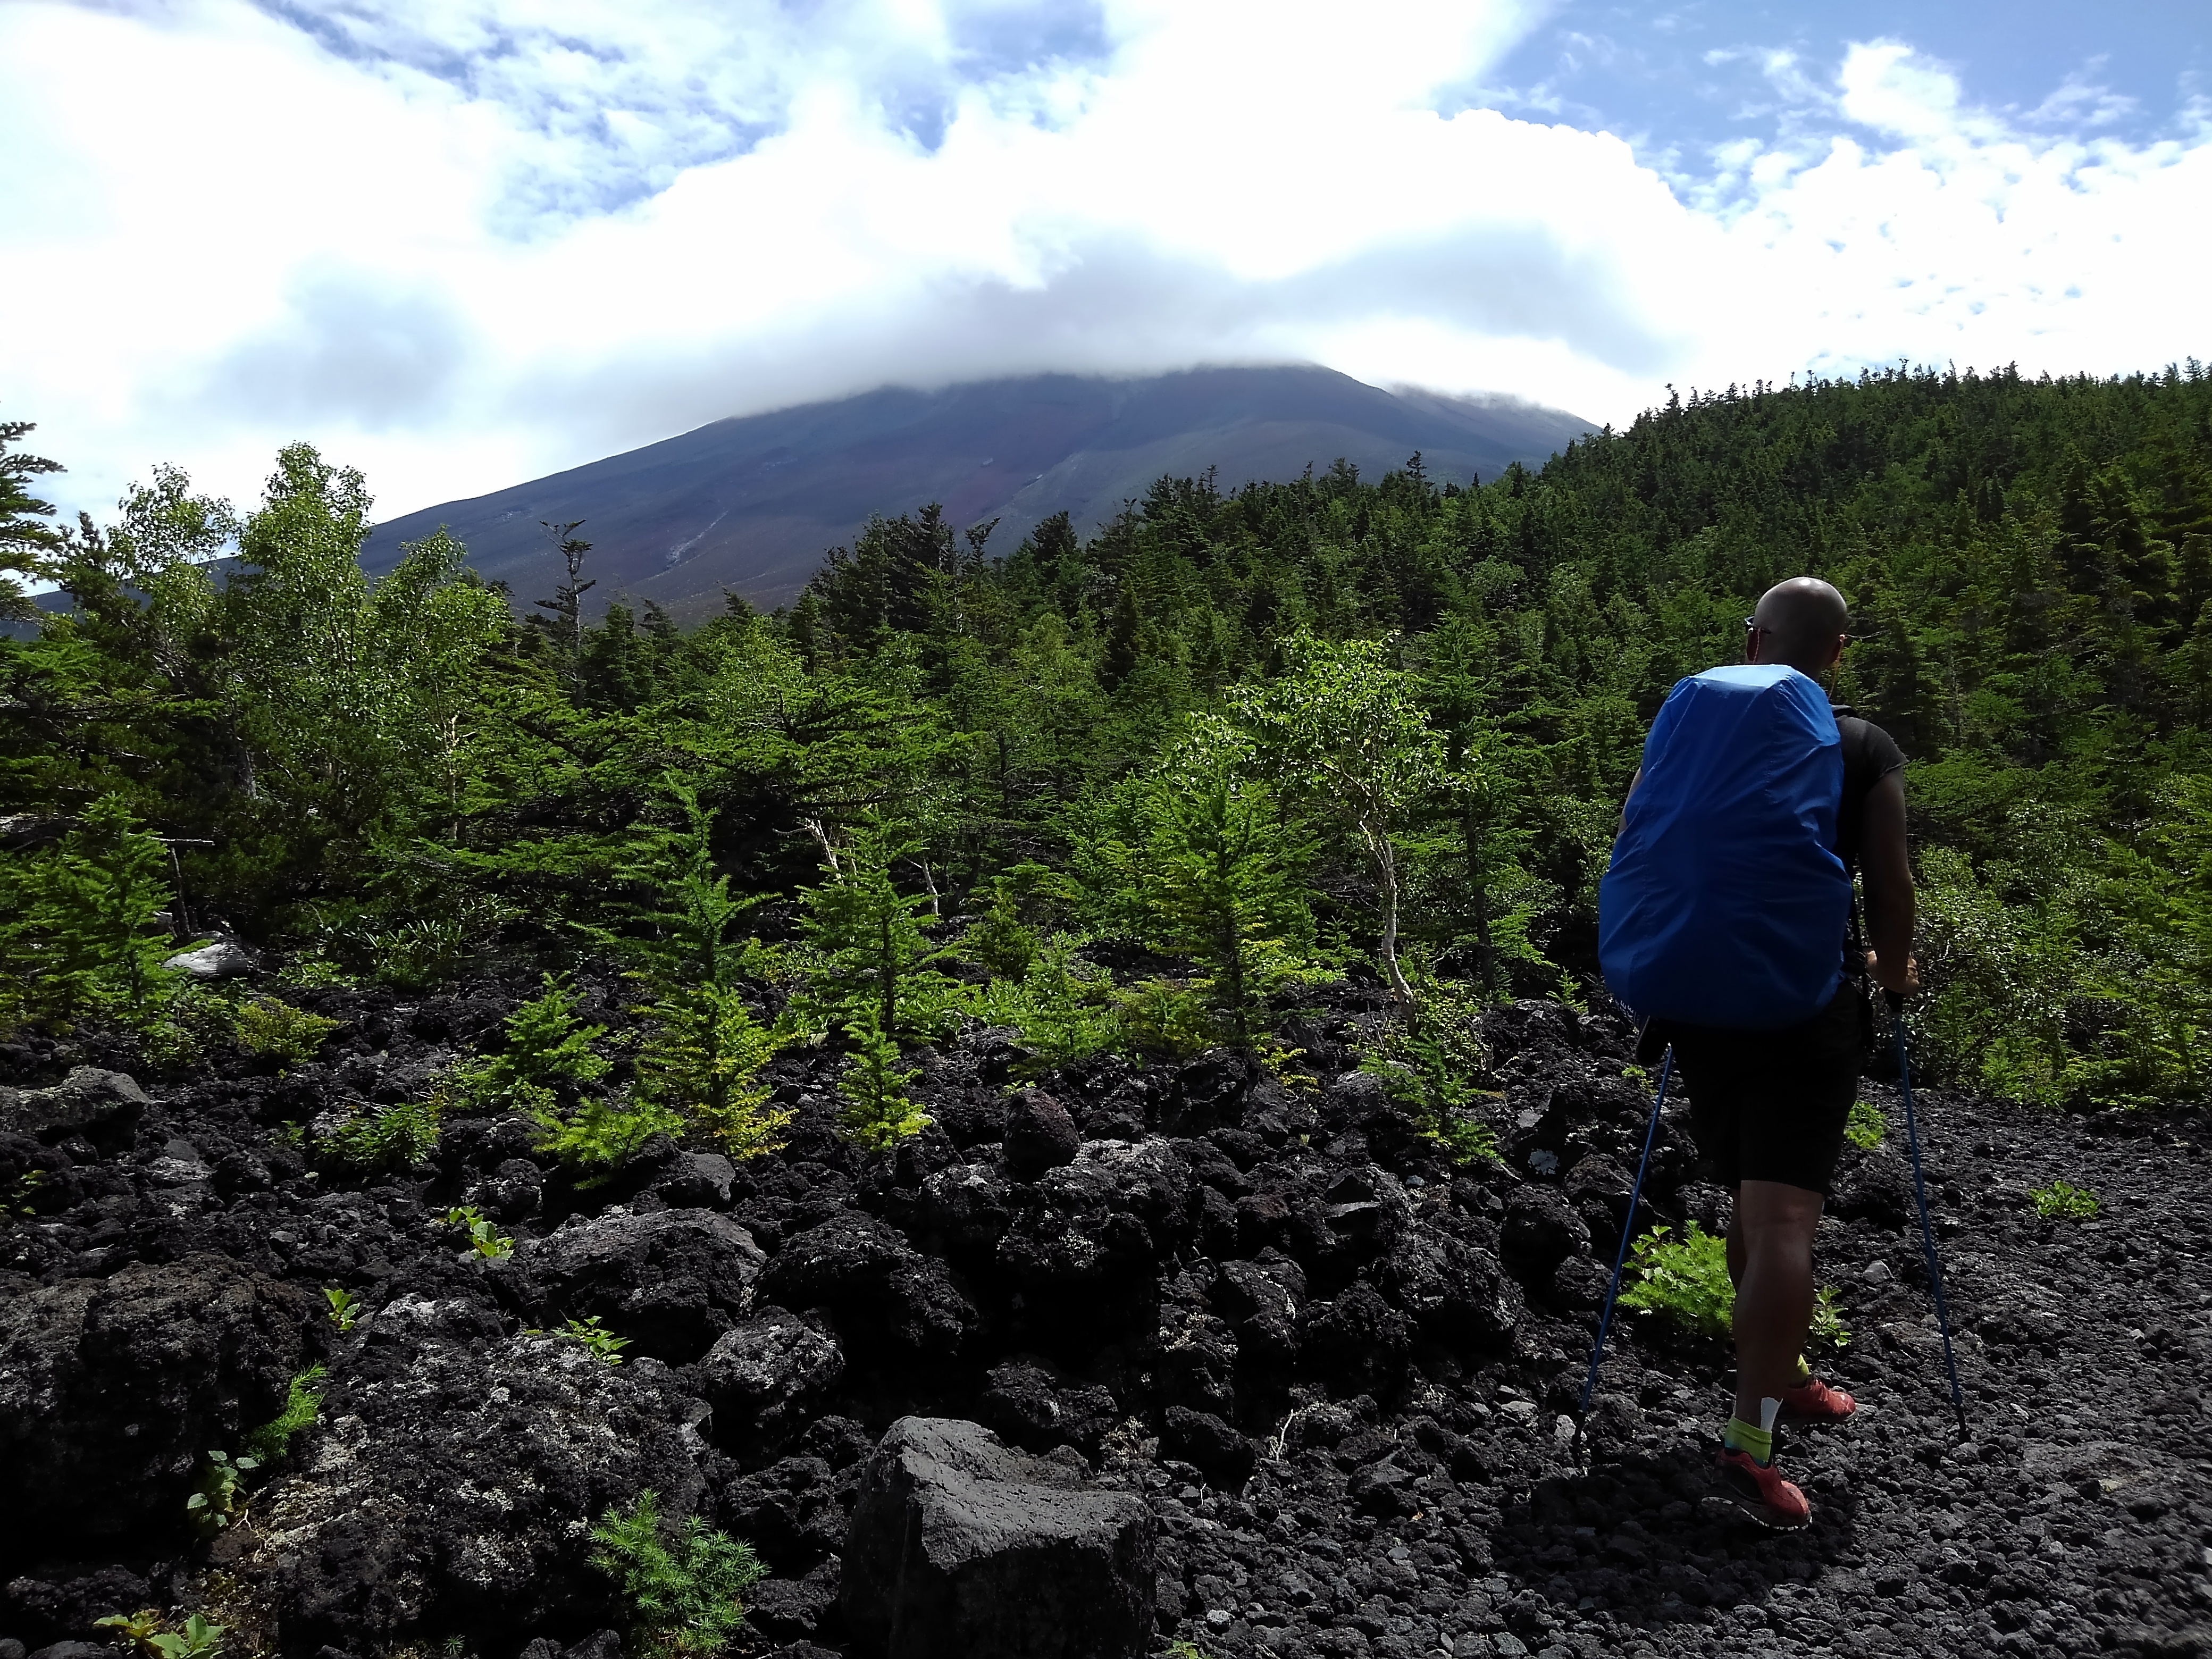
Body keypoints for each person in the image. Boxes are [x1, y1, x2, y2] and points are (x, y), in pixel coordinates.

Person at [1618, 576, 1917, 1528]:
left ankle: (1776, 1376)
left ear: (1752, 640)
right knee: (1788, 1217)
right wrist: (1897, 973)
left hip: (1698, 998)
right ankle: (1750, 1442)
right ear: (1835, 654)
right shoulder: (1861, 746)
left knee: (1754, 1192)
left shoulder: (1690, 729)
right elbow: (1889, 881)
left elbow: (1639, 839)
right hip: (1805, 1006)